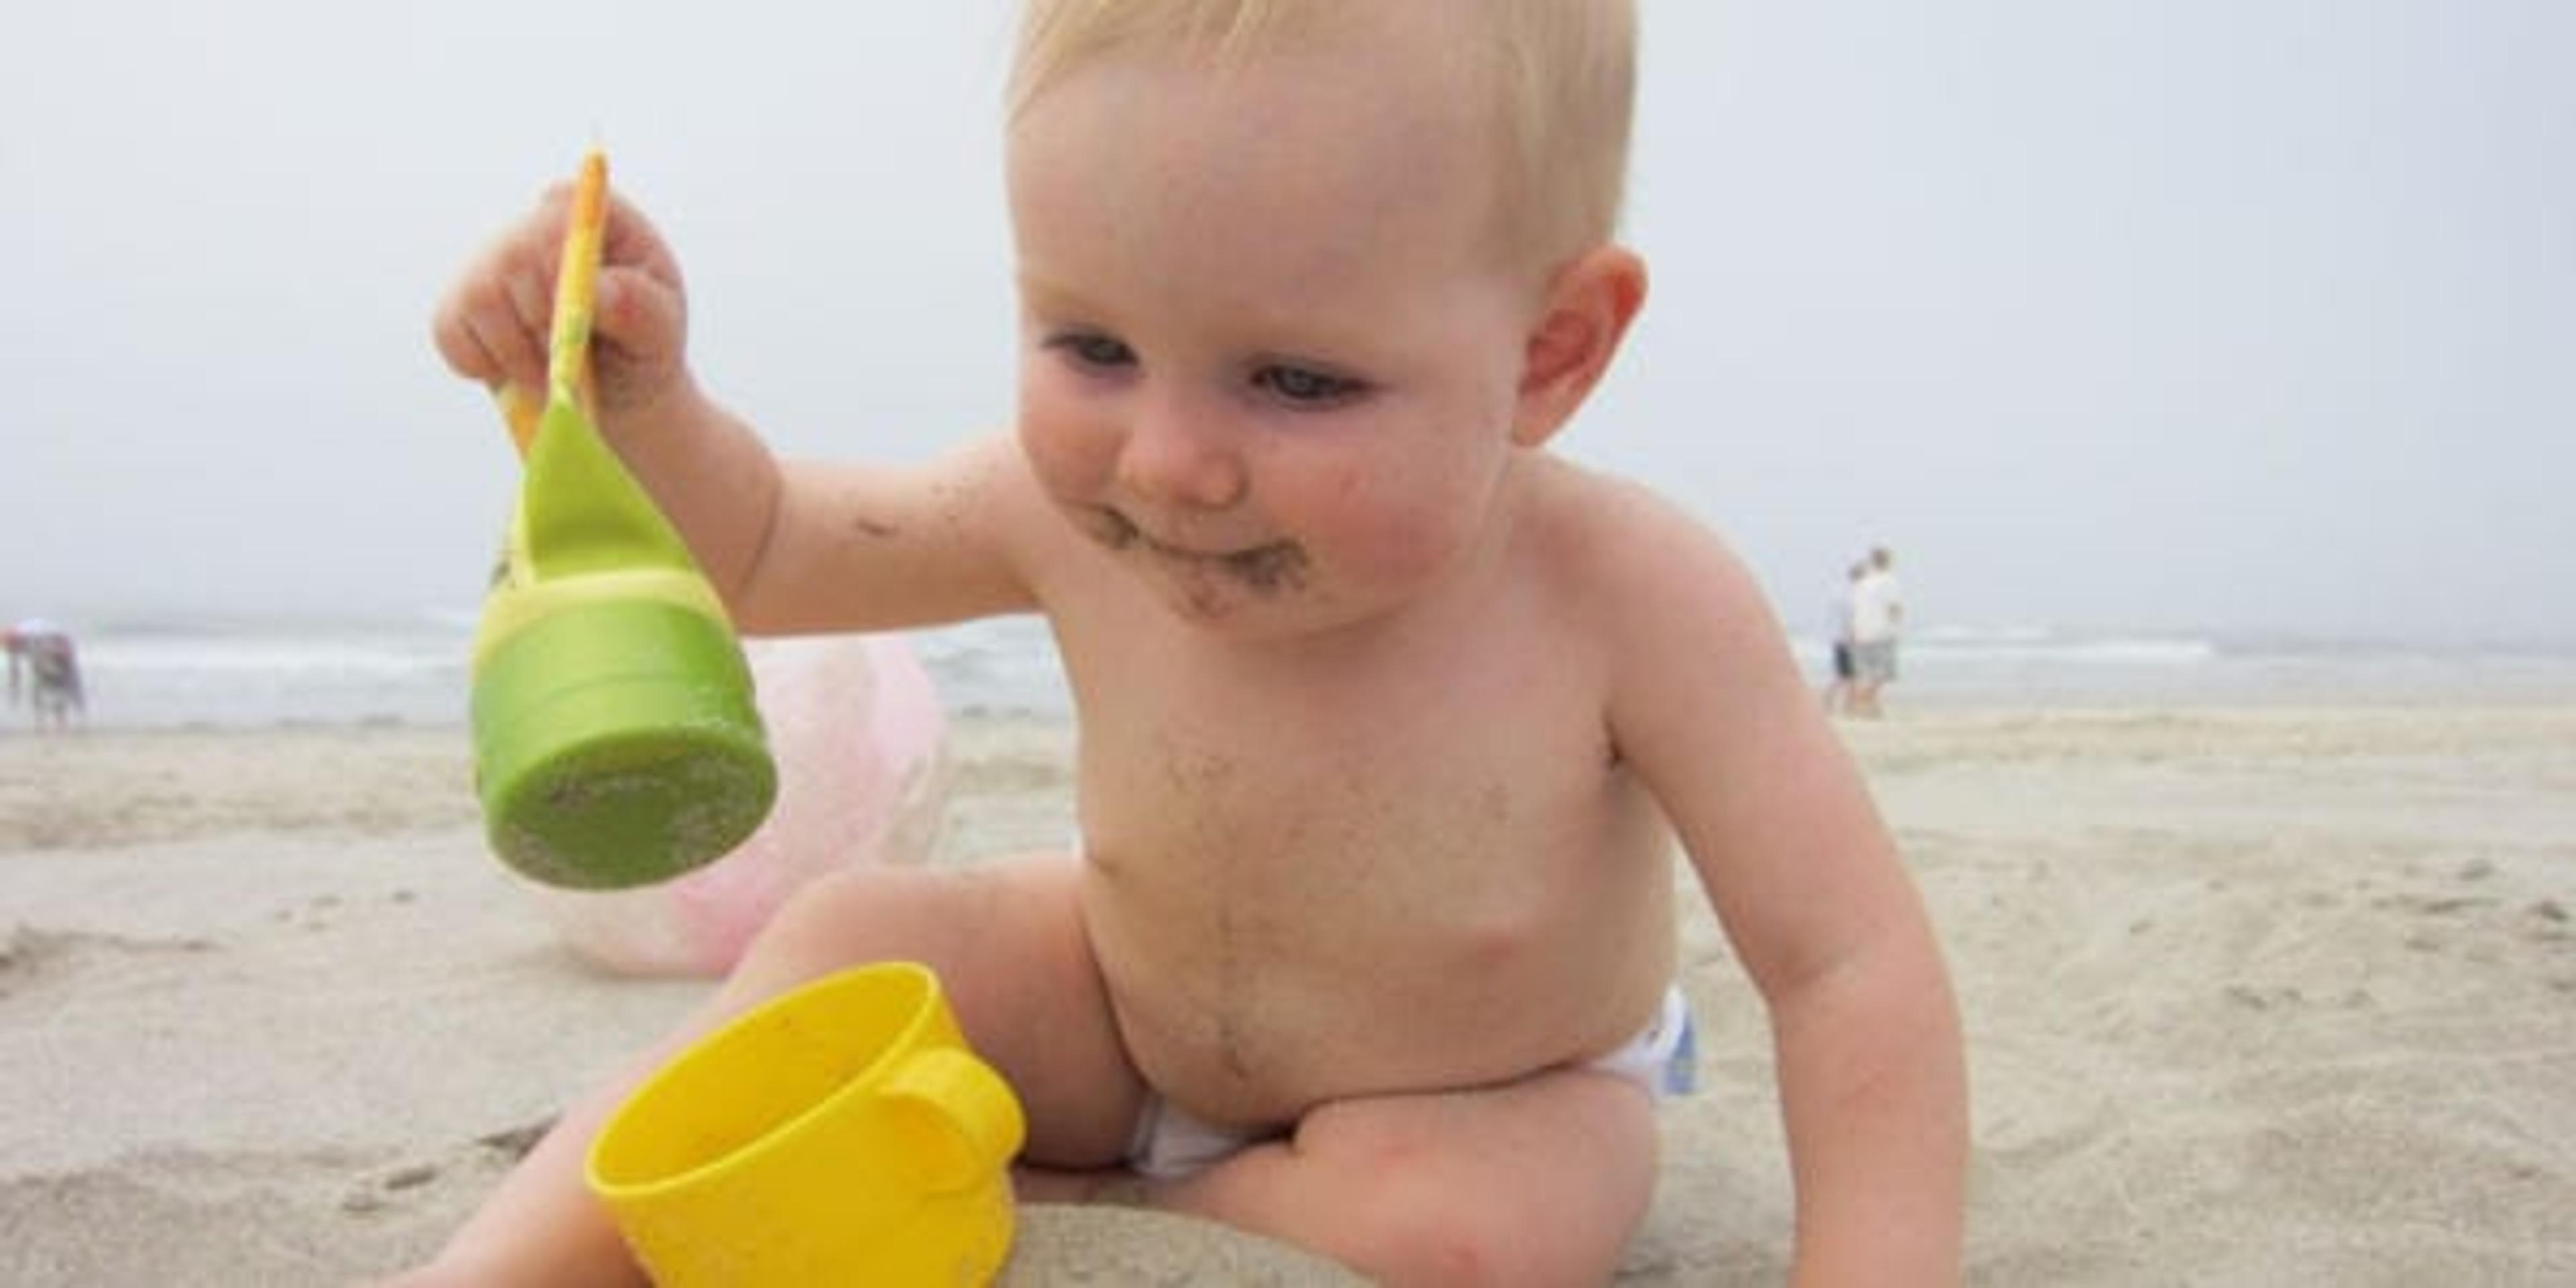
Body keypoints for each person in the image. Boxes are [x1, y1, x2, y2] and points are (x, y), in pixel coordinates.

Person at [411, 2, 1966, 1283]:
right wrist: (633, 404)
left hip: (1488, 1087)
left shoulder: (1625, 595)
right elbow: (759, 552)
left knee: (1468, 1234)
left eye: (1293, 382)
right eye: (1091, 347)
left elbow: (1844, 965)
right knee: (852, 933)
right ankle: (498, 1268)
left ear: (1546, 351)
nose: (1166, 463)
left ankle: (1083, 1213)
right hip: (1119, 1006)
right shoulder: (1057, 502)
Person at [1847, 547, 1905, 720]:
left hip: (1862, 631)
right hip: (1881, 631)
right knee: (1883, 674)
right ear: (1889, 561)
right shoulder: (1889, 581)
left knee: (1867, 673)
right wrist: (1897, 628)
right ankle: (1861, 700)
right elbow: (1894, 607)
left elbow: (1855, 608)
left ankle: (1872, 709)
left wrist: (1854, 630)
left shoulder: (1863, 582)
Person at [4, 619, 85, 733]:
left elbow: (55, 654)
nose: (8, 650)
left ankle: (61, 723)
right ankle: (43, 724)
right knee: (40, 692)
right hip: (49, 660)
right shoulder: (21, 639)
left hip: (58, 659)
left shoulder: (32, 637)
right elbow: (15, 670)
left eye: (8, 646)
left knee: (59, 691)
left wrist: (54, 666)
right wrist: (14, 691)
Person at [1822, 559, 1865, 715]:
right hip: (1847, 639)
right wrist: (1854, 637)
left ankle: (1839, 705)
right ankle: (1844, 706)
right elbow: (1851, 618)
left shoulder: (1841, 592)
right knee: (1847, 676)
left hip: (1838, 638)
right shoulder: (1854, 594)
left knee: (1845, 675)